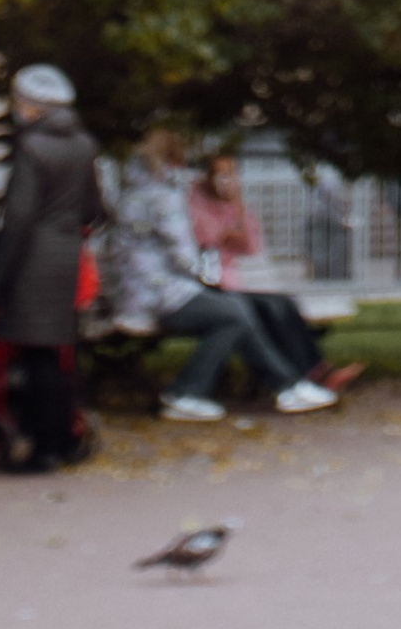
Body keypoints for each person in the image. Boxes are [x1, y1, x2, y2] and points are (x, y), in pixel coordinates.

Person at [111, 131, 336, 418]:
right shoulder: (164, 197)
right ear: (174, 159)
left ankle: (285, 386)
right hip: (160, 293)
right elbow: (182, 252)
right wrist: (206, 276)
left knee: (235, 314)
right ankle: (192, 392)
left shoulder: (136, 191)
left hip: (145, 291)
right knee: (234, 313)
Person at [0, 64, 102, 473]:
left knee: (37, 358)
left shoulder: (31, 147)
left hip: (32, 259)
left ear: (31, 106)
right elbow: (93, 207)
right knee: (58, 354)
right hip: (68, 257)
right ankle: (65, 438)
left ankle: (43, 448)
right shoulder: (84, 144)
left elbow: (19, 217)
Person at [187, 151, 361, 401]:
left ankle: (317, 370)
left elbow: (249, 244)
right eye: (221, 174)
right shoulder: (194, 202)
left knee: (283, 304)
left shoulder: (231, 204)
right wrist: (228, 232)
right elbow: (207, 238)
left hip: (236, 283)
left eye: (231, 174)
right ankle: (300, 378)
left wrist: (237, 205)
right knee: (269, 309)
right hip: (213, 286)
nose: (226, 181)